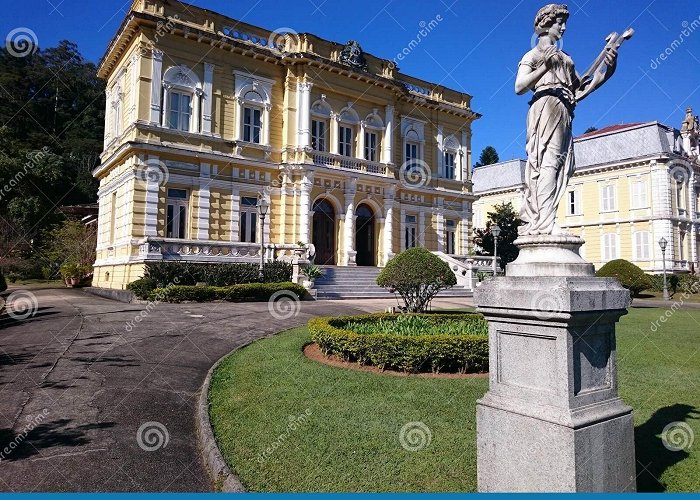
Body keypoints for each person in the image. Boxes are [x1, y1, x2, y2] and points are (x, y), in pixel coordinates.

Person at [515, 4, 618, 235]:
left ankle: (547, 218)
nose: (563, 28)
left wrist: (610, 69)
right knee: (546, 163)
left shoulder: (566, 58)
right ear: (545, 23)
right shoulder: (533, 55)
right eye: (559, 22)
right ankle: (544, 222)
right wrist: (545, 68)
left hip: (564, 109)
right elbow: (520, 87)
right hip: (545, 106)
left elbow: (582, 87)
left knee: (561, 166)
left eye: (564, 23)